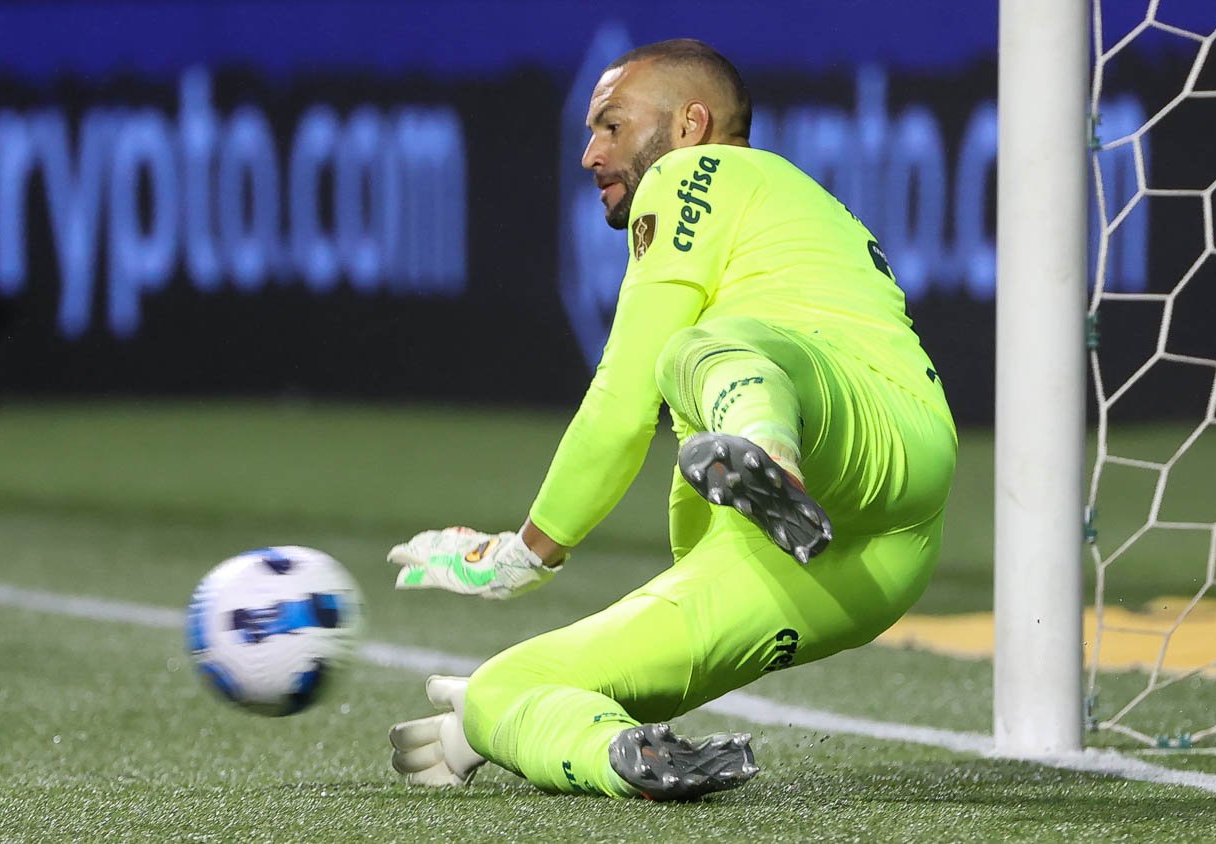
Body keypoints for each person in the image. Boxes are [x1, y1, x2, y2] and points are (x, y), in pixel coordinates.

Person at [384, 38, 957, 801]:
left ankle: (769, 452)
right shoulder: (772, 211)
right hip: (874, 558)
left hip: (869, 434)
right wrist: (485, 725)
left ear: (691, 125)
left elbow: (622, 401)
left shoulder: (699, 172)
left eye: (611, 125)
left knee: (691, 351)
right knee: (501, 688)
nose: (590, 154)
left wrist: (523, 553)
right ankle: (623, 758)